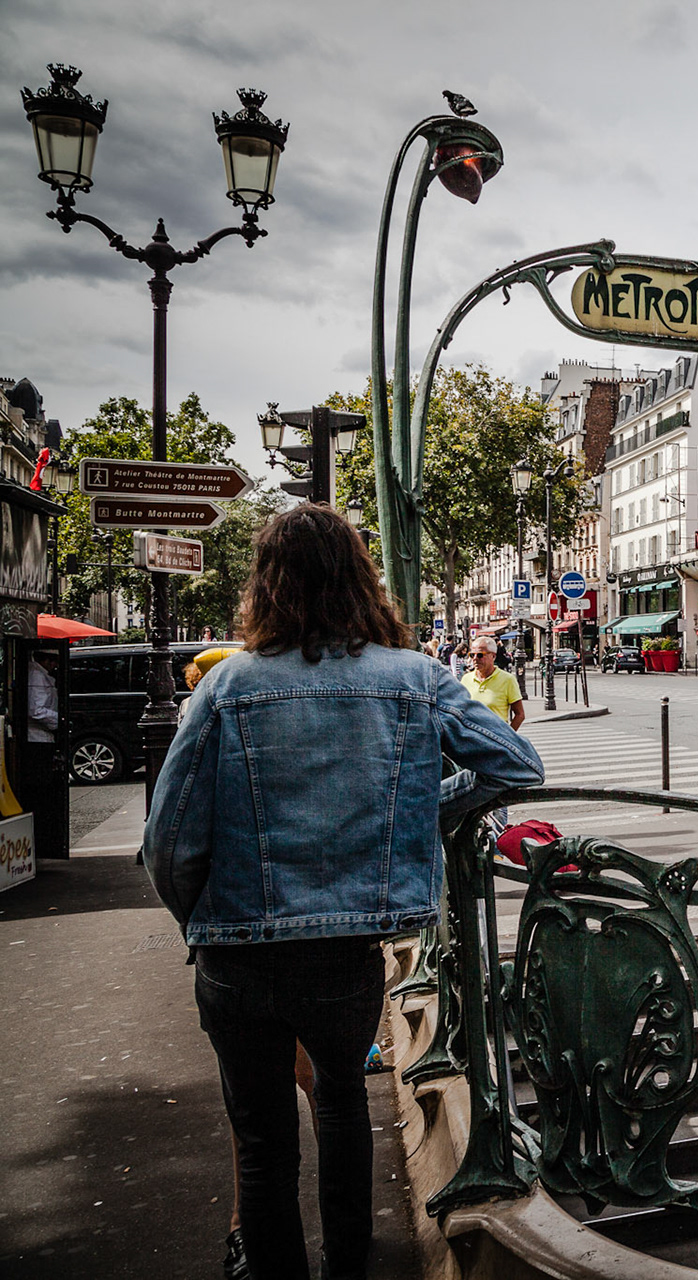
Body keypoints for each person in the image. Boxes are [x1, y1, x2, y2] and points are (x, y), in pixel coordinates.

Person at [142, 505, 544, 1280]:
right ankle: (348, 1265)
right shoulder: (416, 679)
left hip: (237, 949)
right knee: (343, 1108)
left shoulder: (226, 687)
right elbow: (515, 767)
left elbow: (169, 839)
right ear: (362, 580)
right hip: (346, 949)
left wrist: (200, 922)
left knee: (260, 1140)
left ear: (266, 586)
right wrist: (410, 811)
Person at [462, 636, 525, 732]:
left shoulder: (507, 679)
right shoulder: (466, 679)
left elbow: (520, 714)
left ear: (493, 656)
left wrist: (508, 736)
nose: (474, 659)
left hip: (495, 740)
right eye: (471, 655)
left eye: (480, 655)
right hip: (471, 740)